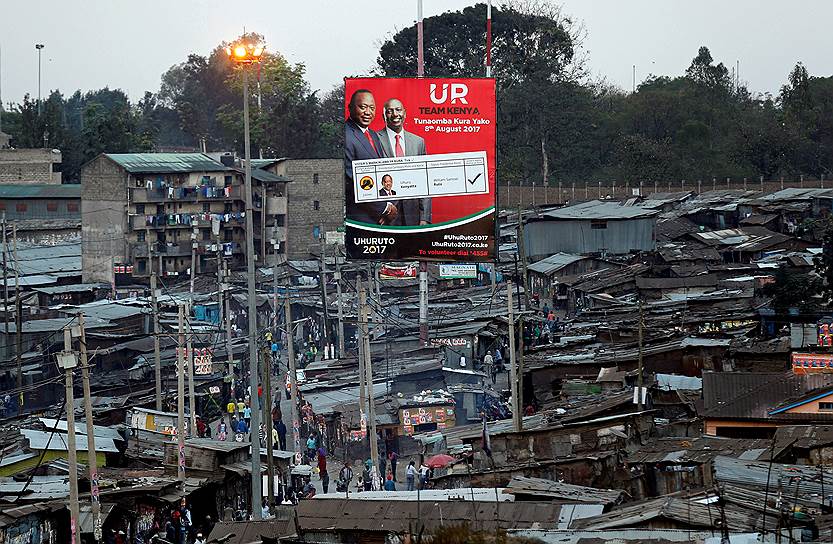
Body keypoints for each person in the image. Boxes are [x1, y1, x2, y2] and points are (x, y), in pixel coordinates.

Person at [345, 89, 397, 225]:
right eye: (363, 107)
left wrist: (389, 202)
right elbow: (352, 180)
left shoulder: (373, 135)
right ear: (350, 108)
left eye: (372, 108)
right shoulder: (346, 136)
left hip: (377, 217)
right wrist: (384, 209)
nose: (368, 112)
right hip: (361, 216)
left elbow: (382, 170)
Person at [376, 97, 431, 226]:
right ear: (384, 116)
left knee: (413, 246)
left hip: (414, 214)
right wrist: (380, 210)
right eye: (390, 111)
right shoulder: (374, 140)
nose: (395, 114)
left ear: (404, 113)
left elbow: (425, 180)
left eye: (398, 110)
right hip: (385, 216)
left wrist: (425, 217)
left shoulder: (418, 142)